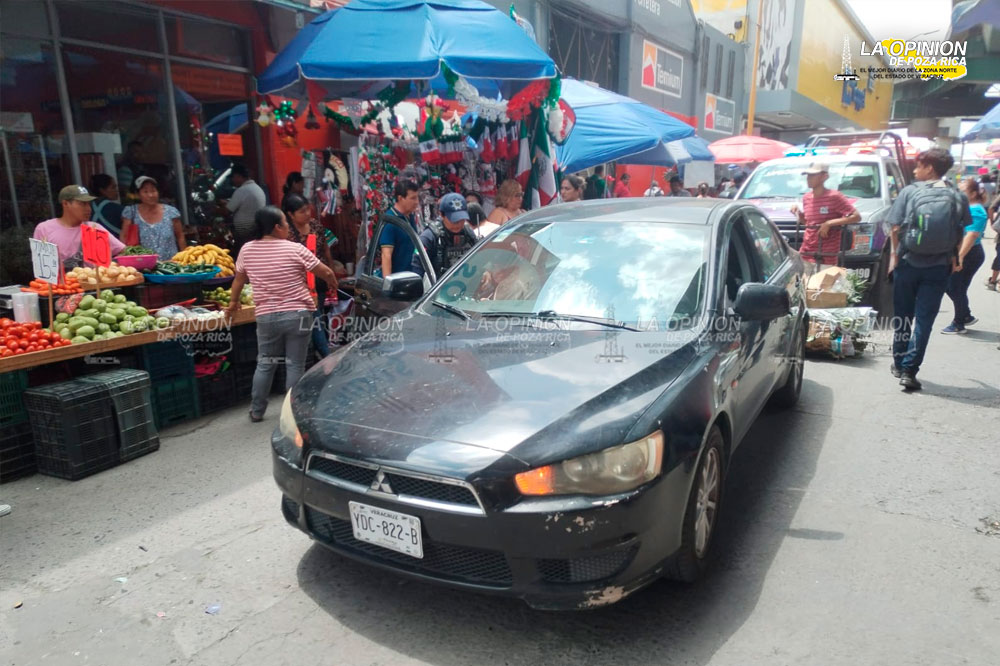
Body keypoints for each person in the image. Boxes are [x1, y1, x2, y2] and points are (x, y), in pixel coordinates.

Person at [227, 206, 338, 422]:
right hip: (297, 314)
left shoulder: (247, 250)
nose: (288, 228)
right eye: (285, 224)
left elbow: (239, 280)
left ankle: (257, 410)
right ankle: (291, 412)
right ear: (277, 227)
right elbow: (324, 271)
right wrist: (332, 282)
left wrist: (232, 303)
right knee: (295, 364)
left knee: (266, 363)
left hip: (266, 316)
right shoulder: (294, 249)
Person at [887, 148, 968, 391]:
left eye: (918, 166)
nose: (914, 170)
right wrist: (955, 257)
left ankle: (899, 362)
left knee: (903, 315)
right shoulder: (957, 195)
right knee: (925, 320)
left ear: (930, 168)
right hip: (939, 266)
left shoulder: (910, 192)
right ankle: (910, 371)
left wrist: (894, 256)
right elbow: (959, 230)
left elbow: (894, 227)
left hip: (908, 262)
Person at [284, 194, 337, 357]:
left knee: (318, 315)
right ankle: (324, 353)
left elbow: (326, 251)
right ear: (290, 214)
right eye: (302, 211)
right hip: (299, 284)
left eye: (308, 209)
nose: (308, 214)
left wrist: (330, 272)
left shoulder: (316, 226)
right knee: (314, 320)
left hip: (319, 280)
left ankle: (321, 351)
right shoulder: (286, 233)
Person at [33, 185, 126, 268]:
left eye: (89, 204)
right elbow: (41, 266)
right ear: (65, 204)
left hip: (94, 284)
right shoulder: (44, 229)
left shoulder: (94, 228)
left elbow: (123, 251)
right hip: (61, 286)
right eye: (82, 204)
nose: (88, 209)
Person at [789, 162, 861, 270]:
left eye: (813, 175)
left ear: (824, 176)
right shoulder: (806, 198)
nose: (809, 178)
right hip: (807, 252)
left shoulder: (835, 197)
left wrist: (829, 223)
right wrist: (797, 212)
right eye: (808, 175)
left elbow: (856, 217)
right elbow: (809, 223)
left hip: (827, 256)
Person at [941, 178, 988, 334]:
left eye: (962, 191)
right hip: (965, 252)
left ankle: (959, 323)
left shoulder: (976, 210)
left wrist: (959, 258)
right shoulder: (968, 207)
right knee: (955, 287)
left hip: (969, 254)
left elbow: (971, 235)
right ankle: (965, 315)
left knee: (954, 287)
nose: (958, 194)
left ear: (973, 193)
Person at [120, 176, 186, 259]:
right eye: (145, 191)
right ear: (138, 194)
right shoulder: (131, 213)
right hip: (143, 265)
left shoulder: (171, 212)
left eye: (153, 190)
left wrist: (185, 258)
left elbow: (180, 236)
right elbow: (124, 237)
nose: (151, 195)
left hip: (171, 265)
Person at [418, 193, 479, 278]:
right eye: (454, 220)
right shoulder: (428, 238)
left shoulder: (469, 234)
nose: (458, 224)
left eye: (461, 220)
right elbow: (418, 270)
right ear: (441, 214)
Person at [378, 179, 422, 276]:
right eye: (413, 198)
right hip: (398, 281)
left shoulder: (410, 217)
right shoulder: (390, 221)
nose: (417, 202)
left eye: (417, 198)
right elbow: (386, 256)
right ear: (400, 198)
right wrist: (388, 285)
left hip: (412, 278)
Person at [226, 164, 267, 253]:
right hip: (255, 230)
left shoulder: (242, 190)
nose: (233, 181)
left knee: (243, 254)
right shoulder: (257, 188)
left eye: (233, 178)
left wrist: (215, 209)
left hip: (245, 232)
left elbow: (227, 211)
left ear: (238, 176)